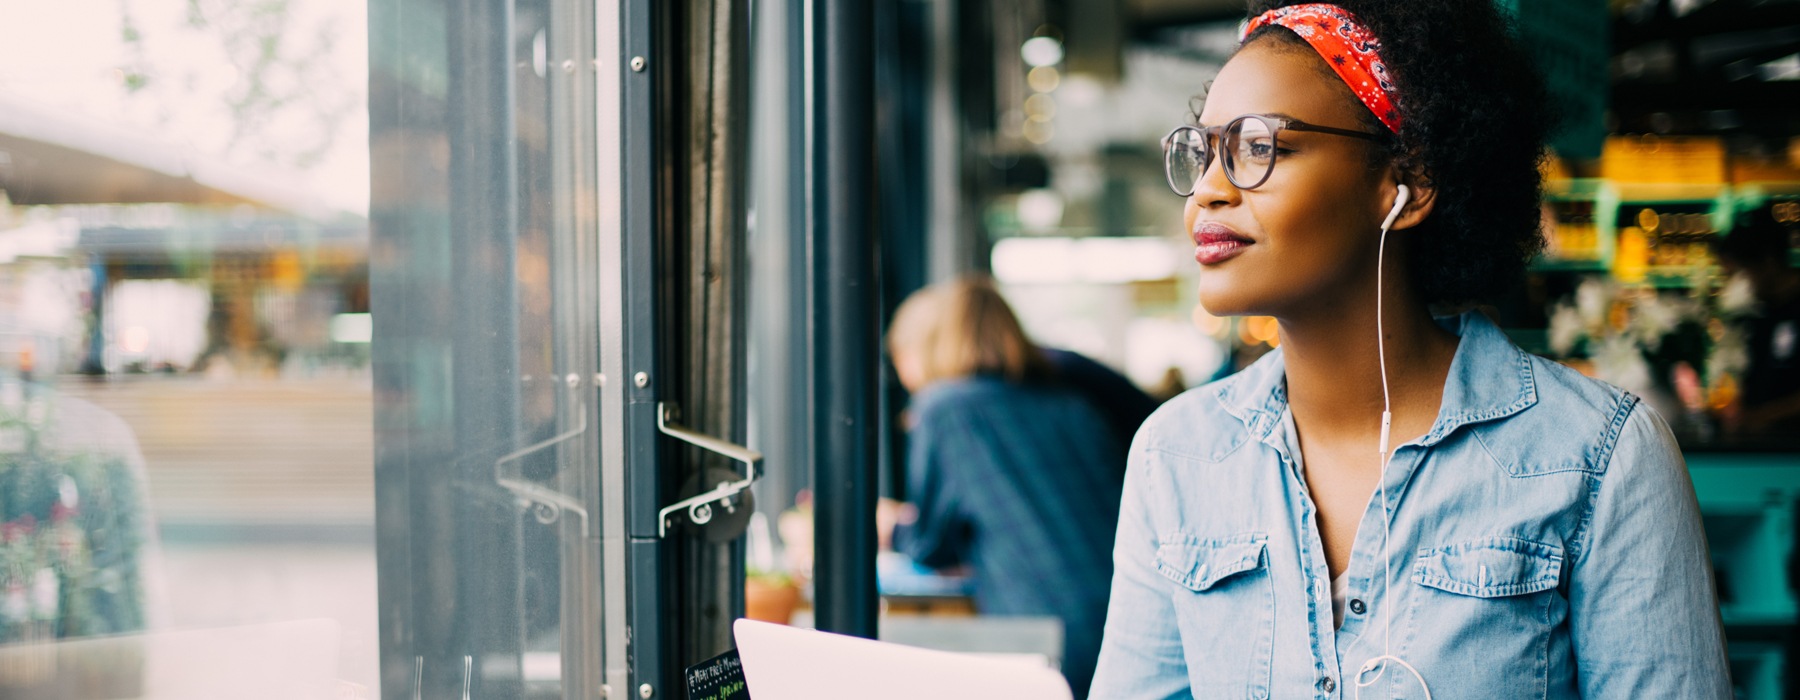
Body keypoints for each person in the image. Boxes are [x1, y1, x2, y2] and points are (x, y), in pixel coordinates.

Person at [1091, 2, 1730, 698]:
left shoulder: (1599, 457)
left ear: (1408, 183)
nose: (1209, 192)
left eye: (1259, 147)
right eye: (1205, 150)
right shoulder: (1177, 456)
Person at [886, 275, 1126, 699]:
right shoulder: (1071, 404)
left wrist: (889, 526)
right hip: (1125, 622)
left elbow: (929, 545)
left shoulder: (946, 408)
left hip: (1045, 636)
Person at [1715, 205, 1800, 438]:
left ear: (1769, 262)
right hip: (1763, 451)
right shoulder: (1760, 314)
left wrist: (1762, 416)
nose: (1738, 284)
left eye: (1743, 272)